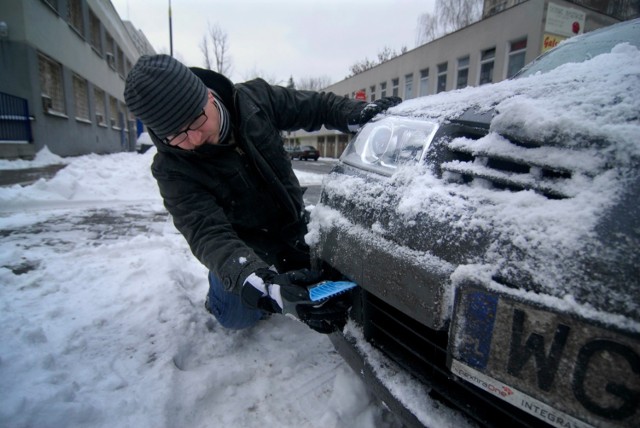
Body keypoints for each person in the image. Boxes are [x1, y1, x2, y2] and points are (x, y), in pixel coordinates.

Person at [124, 54, 401, 333]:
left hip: (293, 228)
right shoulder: (172, 169)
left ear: (207, 96)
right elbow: (206, 233)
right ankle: (225, 288)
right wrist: (262, 286)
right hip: (245, 247)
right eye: (176, 136)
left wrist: (354, 112)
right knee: (237, 315)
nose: (193, 139)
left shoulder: (252, 101)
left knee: (332, 281)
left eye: (195, 121)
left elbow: (314, 106)